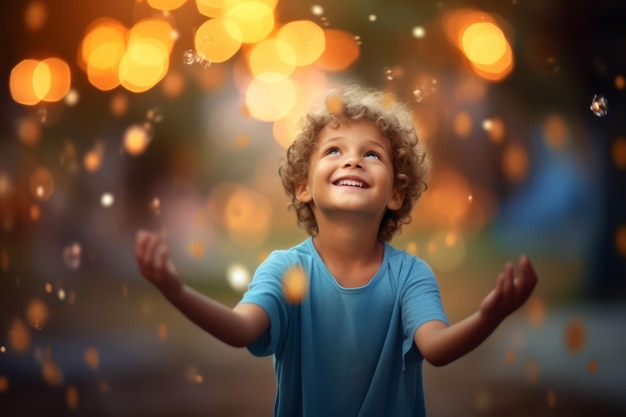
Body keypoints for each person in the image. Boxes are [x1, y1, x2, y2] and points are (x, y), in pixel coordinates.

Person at [134, 84, 538, 417]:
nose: (353, 162)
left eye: (372, 154)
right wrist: (176, 290)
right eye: (334, 151)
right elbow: (242, 329)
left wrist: (492, 314)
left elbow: (436, 348)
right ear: (303, 186)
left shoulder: (411, 276)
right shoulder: (284, 268)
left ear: (396, 193)